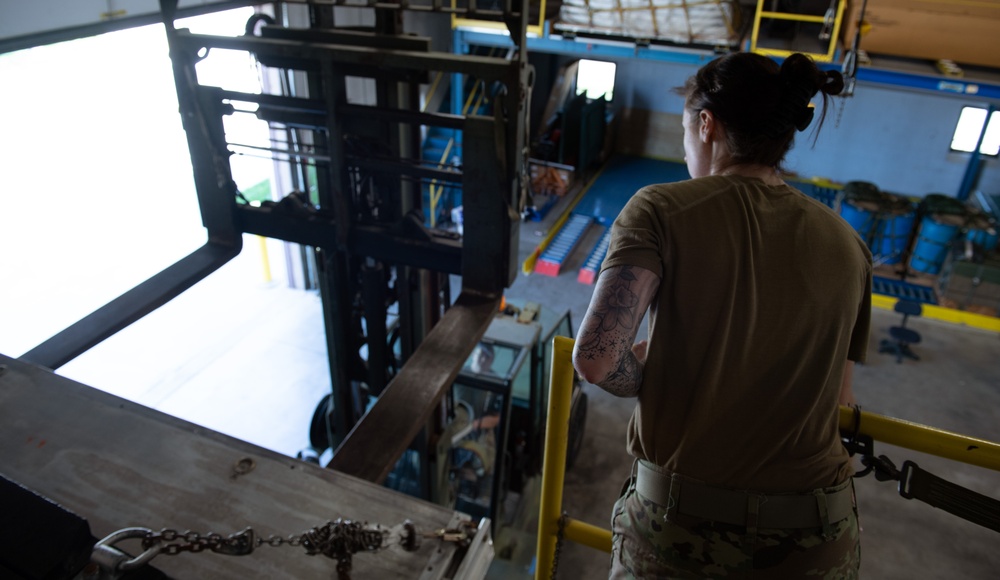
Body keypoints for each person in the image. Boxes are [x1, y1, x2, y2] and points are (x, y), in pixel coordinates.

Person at [572, 52, 871, 579]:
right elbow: (840, 401)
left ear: (706, 124)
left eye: (686, 130)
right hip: (816, 539)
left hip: (686, 538)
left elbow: (597, 361)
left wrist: (650, 371)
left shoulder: (660, 208)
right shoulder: (848, 244)